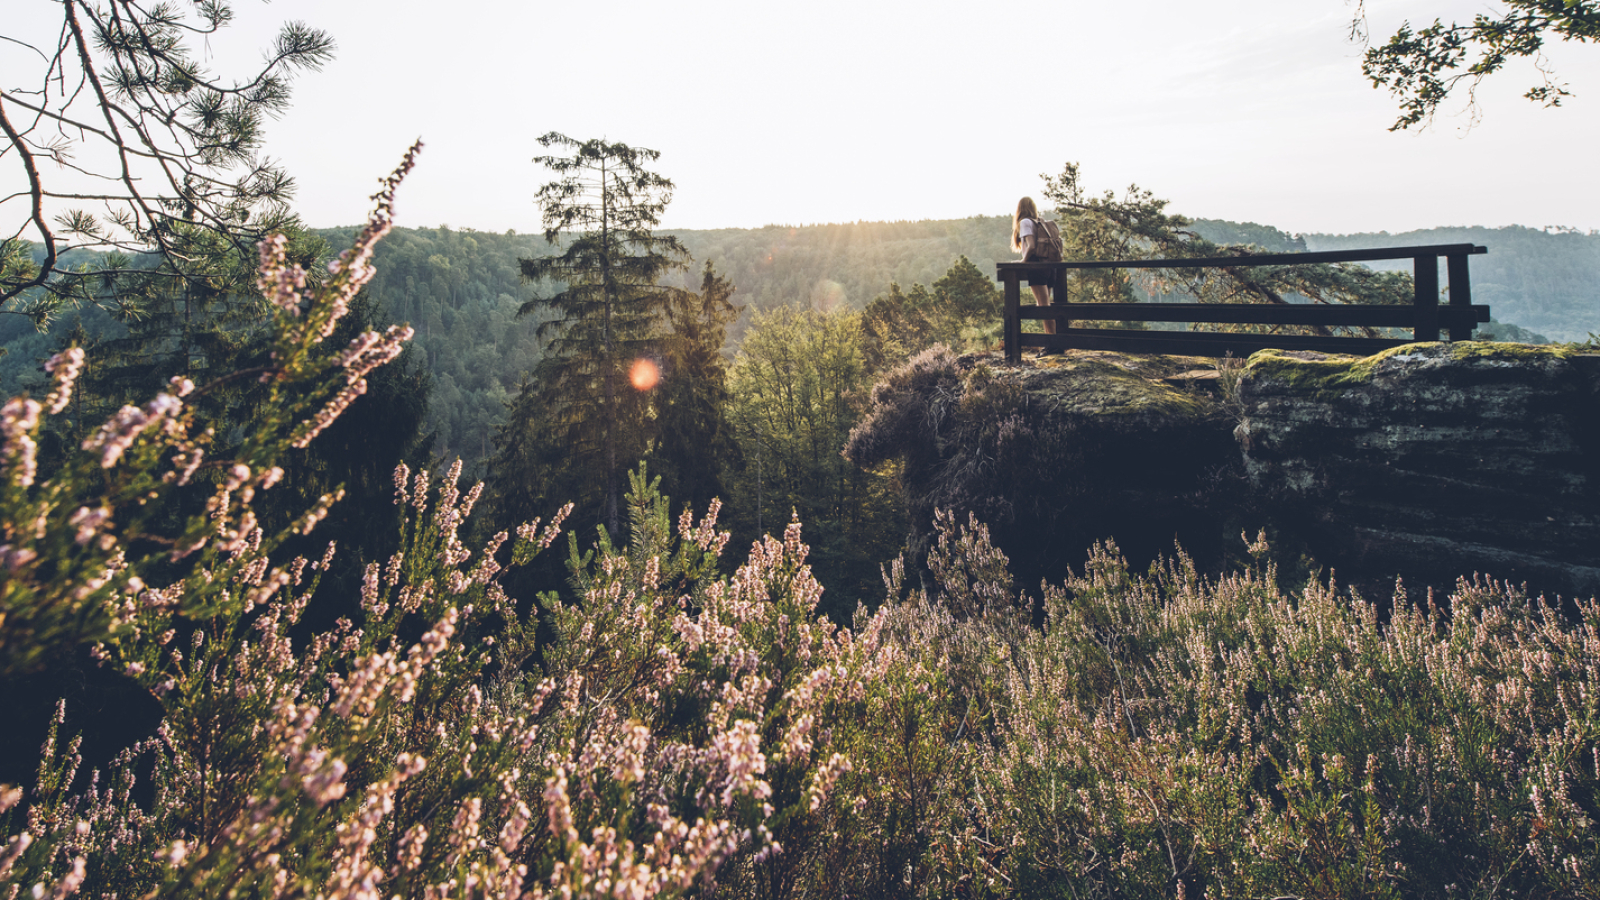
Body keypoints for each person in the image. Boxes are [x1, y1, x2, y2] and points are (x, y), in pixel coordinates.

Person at [1011, 196, 1056, 338]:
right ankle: (1053, 340)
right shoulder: (1039, 222)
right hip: (1049, 265)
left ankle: (1052, 342)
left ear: (1020, 209)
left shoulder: (1024, 222)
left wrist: (1023, 261)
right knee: (1045, 304)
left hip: (1037, 266)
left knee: (1043, 307)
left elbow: (1031, 246)